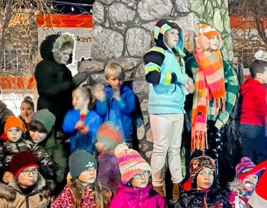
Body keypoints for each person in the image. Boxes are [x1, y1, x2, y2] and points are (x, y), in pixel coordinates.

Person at [144, 19, 192, 198]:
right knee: (161, 147)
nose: (176, 35)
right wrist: (178, 78)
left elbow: (178, 80)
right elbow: (152, 76)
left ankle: (177, 188)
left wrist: (187, 86)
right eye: (172, 32)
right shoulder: (156, 52)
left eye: (177, 33)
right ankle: (157, 188)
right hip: (162, 108)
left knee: (175, 148)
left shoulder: (178, 55)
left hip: (177, 108)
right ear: (161, 35)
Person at [187, 24, 229, 154]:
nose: (215, 41)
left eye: (217, 38)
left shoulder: (221, 61)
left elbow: (229, 86)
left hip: (215, 113)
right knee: (198, 150)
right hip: (198, 112)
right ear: (203, 40)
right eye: (211, 38)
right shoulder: (192, 61)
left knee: (215, 150)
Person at [34, 34, 75, 135]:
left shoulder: (64, 69)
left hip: (63, 115)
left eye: (69, 54)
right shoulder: (44, 66)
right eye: (64, 53)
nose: (67, 57)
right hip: (49, 113)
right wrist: (72, 83)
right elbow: (47, 90)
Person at [93, 62, 137, 149]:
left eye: (120, 79)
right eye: (114, 79)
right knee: (109, 160)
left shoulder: (128, 93)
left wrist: (119, 99)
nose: (117, 82)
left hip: (124, 135)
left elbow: (130, 109)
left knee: (125, 160)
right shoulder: (104, 93)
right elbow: (101, 112)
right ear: (107, 79)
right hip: (107, 136)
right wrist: (102, 100)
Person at [238, 58, 267, 163]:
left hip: (244, 124)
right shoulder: (259, 88)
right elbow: (263, 107)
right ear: (259, 75)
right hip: (256, 124)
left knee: (247, 154)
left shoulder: (246, 86)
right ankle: (259, 176)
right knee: (261, 153)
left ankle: (247, 175)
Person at [24, 109, 67, 192]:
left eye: (40, 131)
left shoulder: (57, 145)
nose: (35, 135)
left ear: (48, 131)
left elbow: (60, 175)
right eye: (32, 130)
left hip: (47, 187)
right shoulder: (24, 139)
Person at [0, 116, 30, 184]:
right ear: (6, 132)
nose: (14, 133)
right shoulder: (0, 146)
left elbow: (41, 156)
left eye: (17, 130)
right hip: (8, 177)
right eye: (10, 130)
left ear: (22, 131)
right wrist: (4, 171)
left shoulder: (29, 144)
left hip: (28, 174)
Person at [63, 85, 104, 154]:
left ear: (86, 100)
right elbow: (65, 127)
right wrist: (74, 127)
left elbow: (99, 132)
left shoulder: (95, 116)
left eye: (77, 99)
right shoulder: (70, 114)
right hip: (75, 151)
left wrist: (89, 130)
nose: (73, 101)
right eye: (73, 99)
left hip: (90, 151)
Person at [94, 122, 124, 191]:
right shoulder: (104, 155)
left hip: (107, 192)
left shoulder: (109, 161)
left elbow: (102, 179)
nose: (96, 144)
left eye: (99, 141)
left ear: (107, 144)